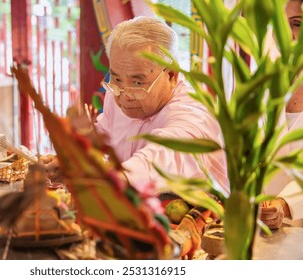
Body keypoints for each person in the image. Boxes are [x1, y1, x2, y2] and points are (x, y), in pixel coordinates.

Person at [94, 16, 229, 259]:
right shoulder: (119, 95)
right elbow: (102, 135)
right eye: (116, 79)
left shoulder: (193, 114)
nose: (125, 95)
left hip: (204, 241)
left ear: (172, 75)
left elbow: (157, 158)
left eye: (138, 82)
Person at [261, 0, 303, 229]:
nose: (286, 35)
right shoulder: (262, 77)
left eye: (297, 23)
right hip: (261, 223)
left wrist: (286, 203)